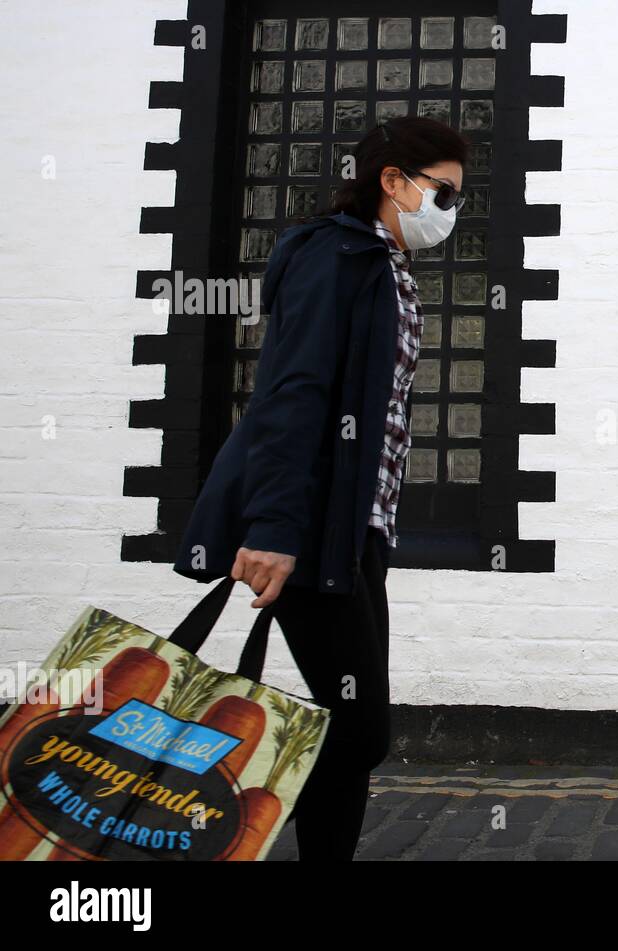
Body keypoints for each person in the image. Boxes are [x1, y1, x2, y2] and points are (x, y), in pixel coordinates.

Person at [173, 116, 469, 860]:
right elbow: (292, 394)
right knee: (361, 726)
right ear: (392, 182)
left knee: (348, 724)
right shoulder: (332, 259)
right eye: (444, 192)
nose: (452, 210)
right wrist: (274, 528)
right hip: (309, 531)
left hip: (357, 531)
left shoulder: (381, 265)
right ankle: (209, 808)